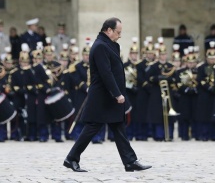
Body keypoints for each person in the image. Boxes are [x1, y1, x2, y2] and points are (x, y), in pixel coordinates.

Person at [63, 17, 151, 172]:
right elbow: (106, 73)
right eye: (118, 32)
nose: (120, 35)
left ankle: (130, 161)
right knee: (91, 128)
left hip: (109, 96)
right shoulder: (100, 46)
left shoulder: (111, 45)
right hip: (102, 96)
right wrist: (117, 94)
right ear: (109, 30)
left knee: (118, 127)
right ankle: (71, 158)